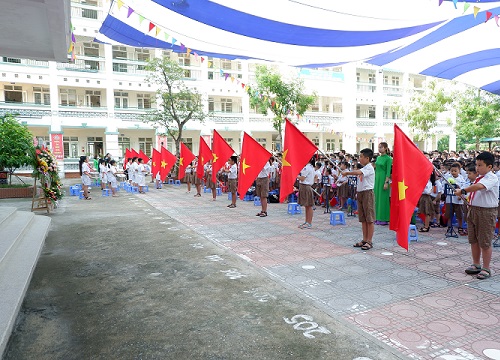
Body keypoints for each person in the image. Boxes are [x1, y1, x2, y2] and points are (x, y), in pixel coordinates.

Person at [454, 151, 499, 280]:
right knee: (473, 240)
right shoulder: (479, 178)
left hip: (486, 212)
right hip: (473, 210)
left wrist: (463, 190)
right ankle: (476, 264)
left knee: (484, 241)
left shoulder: (491, 178)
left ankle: (486, 268)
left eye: (480, 165)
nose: (477, 168)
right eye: (477, 165)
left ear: (489, 167)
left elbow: (479, 187)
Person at [342, 148, 375, 250]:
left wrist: (347, 173)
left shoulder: (369, 168)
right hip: (360, 193)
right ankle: (364, 239)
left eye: (361, 157)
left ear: (367, 158)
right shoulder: (364, 168)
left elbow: (358, 172)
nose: (360, 158)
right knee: (363, 218)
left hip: (367, 193)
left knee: (369, 218)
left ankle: (369, 241)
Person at [374, 142, 392, 225]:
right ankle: (377, 217)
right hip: (377, 179)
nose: (379, 149)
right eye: (379, 147)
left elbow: (388, 172)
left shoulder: (388, 159)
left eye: (381, 147)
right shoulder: (378, 158)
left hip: (383, 179)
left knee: (383, 199)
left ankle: (384, 218)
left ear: (385, 148)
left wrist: (386, 182)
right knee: (376, 198)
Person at [297, 157, 316, 229]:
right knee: (306, 205)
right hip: (305, 186)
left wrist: (296, 175)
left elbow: (302, 178)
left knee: (309, 205)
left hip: (305, 186)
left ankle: (309, 222)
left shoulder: (307, 168)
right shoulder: (310, 167)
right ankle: (307, 221)